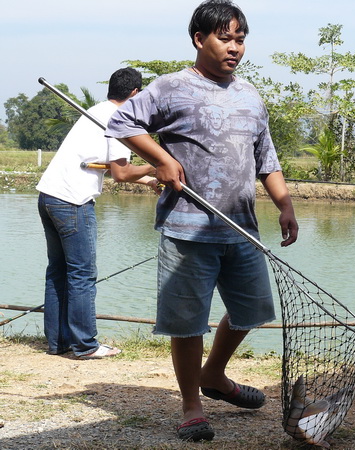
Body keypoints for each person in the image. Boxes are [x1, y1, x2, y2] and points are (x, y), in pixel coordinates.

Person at [106, 0, 299, 442]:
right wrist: (161, 159)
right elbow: (122, 121)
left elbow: (265, 157)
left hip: (241, 227)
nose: (234, 48)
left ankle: (214, 373)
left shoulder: (250, 95)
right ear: (199, 39)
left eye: (240, 39)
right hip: (187, 227)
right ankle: (192, 405)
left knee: (252, 309)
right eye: (224, 38)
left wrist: (284, 203)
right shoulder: (171, 87)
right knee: (188, 320)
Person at [37, 67, 159, 359]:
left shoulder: (97, 110)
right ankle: (85, 345)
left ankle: (59, 343)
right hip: (73, 201)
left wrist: (150, 180)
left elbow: (101, 165)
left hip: (49, 196)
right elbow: (120, 173)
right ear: (135, 94)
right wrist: (157, 166)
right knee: (82, 274)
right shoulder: (121, 119)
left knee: (59, 272)